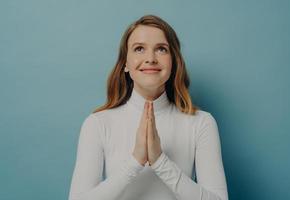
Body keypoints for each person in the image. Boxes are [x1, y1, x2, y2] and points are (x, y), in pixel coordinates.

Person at [68, 15, 228, 200]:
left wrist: (160, 161)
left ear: (174, 62)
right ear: (125, 64)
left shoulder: (201, 123)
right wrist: (135, 161)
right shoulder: (97, 124)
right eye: (139, 49)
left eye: (161, 49)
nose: (150, 58)